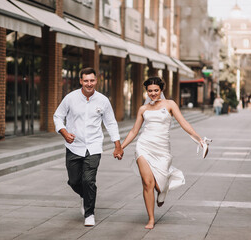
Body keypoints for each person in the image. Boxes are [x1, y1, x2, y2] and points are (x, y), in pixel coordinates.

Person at [120, 77, 209, 229]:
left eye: (156, 90)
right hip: (144, 146)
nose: (153, 93)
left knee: (159, 186)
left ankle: (163, 189)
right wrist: (120, 147)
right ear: (146, 91)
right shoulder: (143, 109)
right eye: (150, 91)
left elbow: (183, 123)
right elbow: (134, 131)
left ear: (161, 90)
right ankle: (151, 219)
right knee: (148, 183)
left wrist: (199, 139)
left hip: (162, 149)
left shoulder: (170, 104)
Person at [53, 67, 123, 227]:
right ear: (80, 81)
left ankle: (89, 213)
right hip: (73, 147)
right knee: (74, 181)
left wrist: (117, 145)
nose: (89, 84)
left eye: (92, 80)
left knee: (89, 180)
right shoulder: (70, 98)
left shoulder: (103, 100)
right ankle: (86, 196)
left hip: (93, 146)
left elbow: (111, 123)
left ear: (96, 81)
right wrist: (64, 132)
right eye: (86, 80)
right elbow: (58, 116)